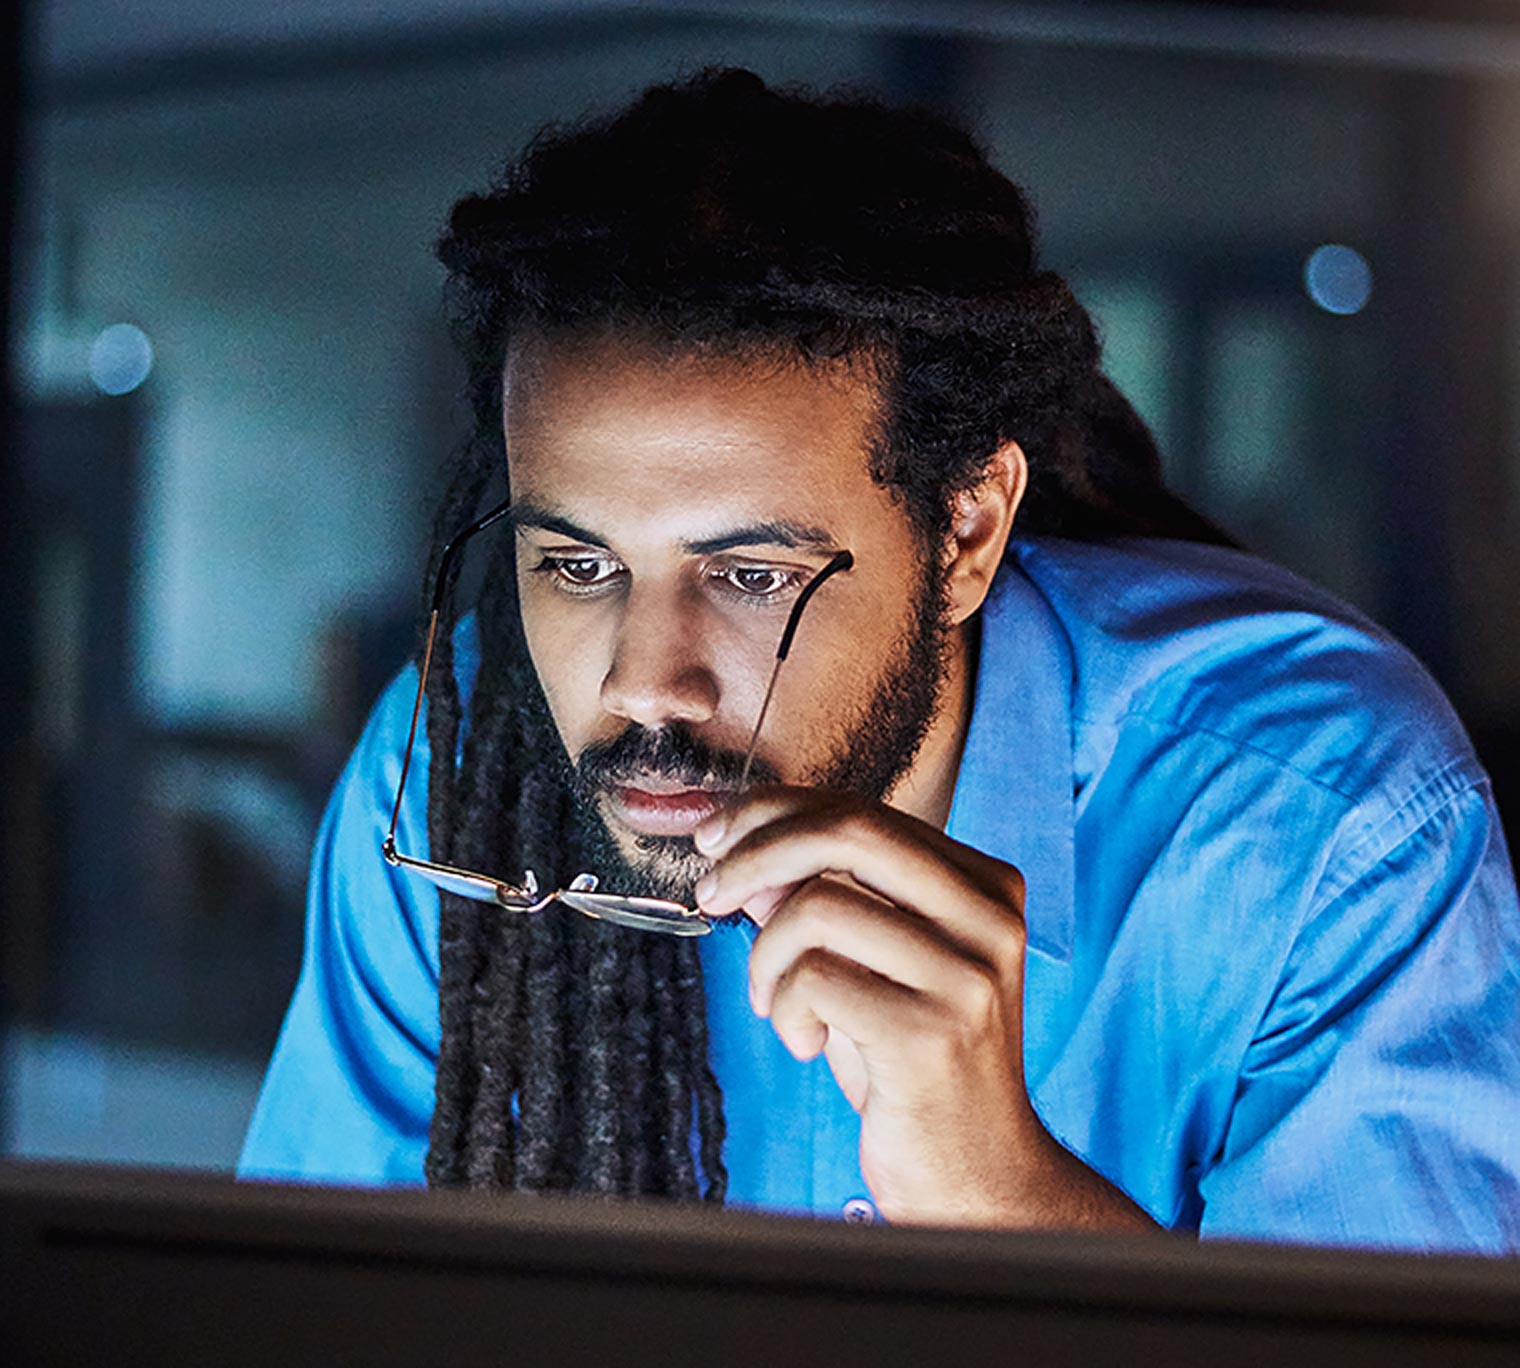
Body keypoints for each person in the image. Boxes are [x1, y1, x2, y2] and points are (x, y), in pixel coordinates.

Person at [239, 68, 1520, 1251]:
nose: (641, 683)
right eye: (575, 565)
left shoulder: (1321, 818)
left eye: (747, 575)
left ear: (962, 532)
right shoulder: (461, 779)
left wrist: (998, 1193)